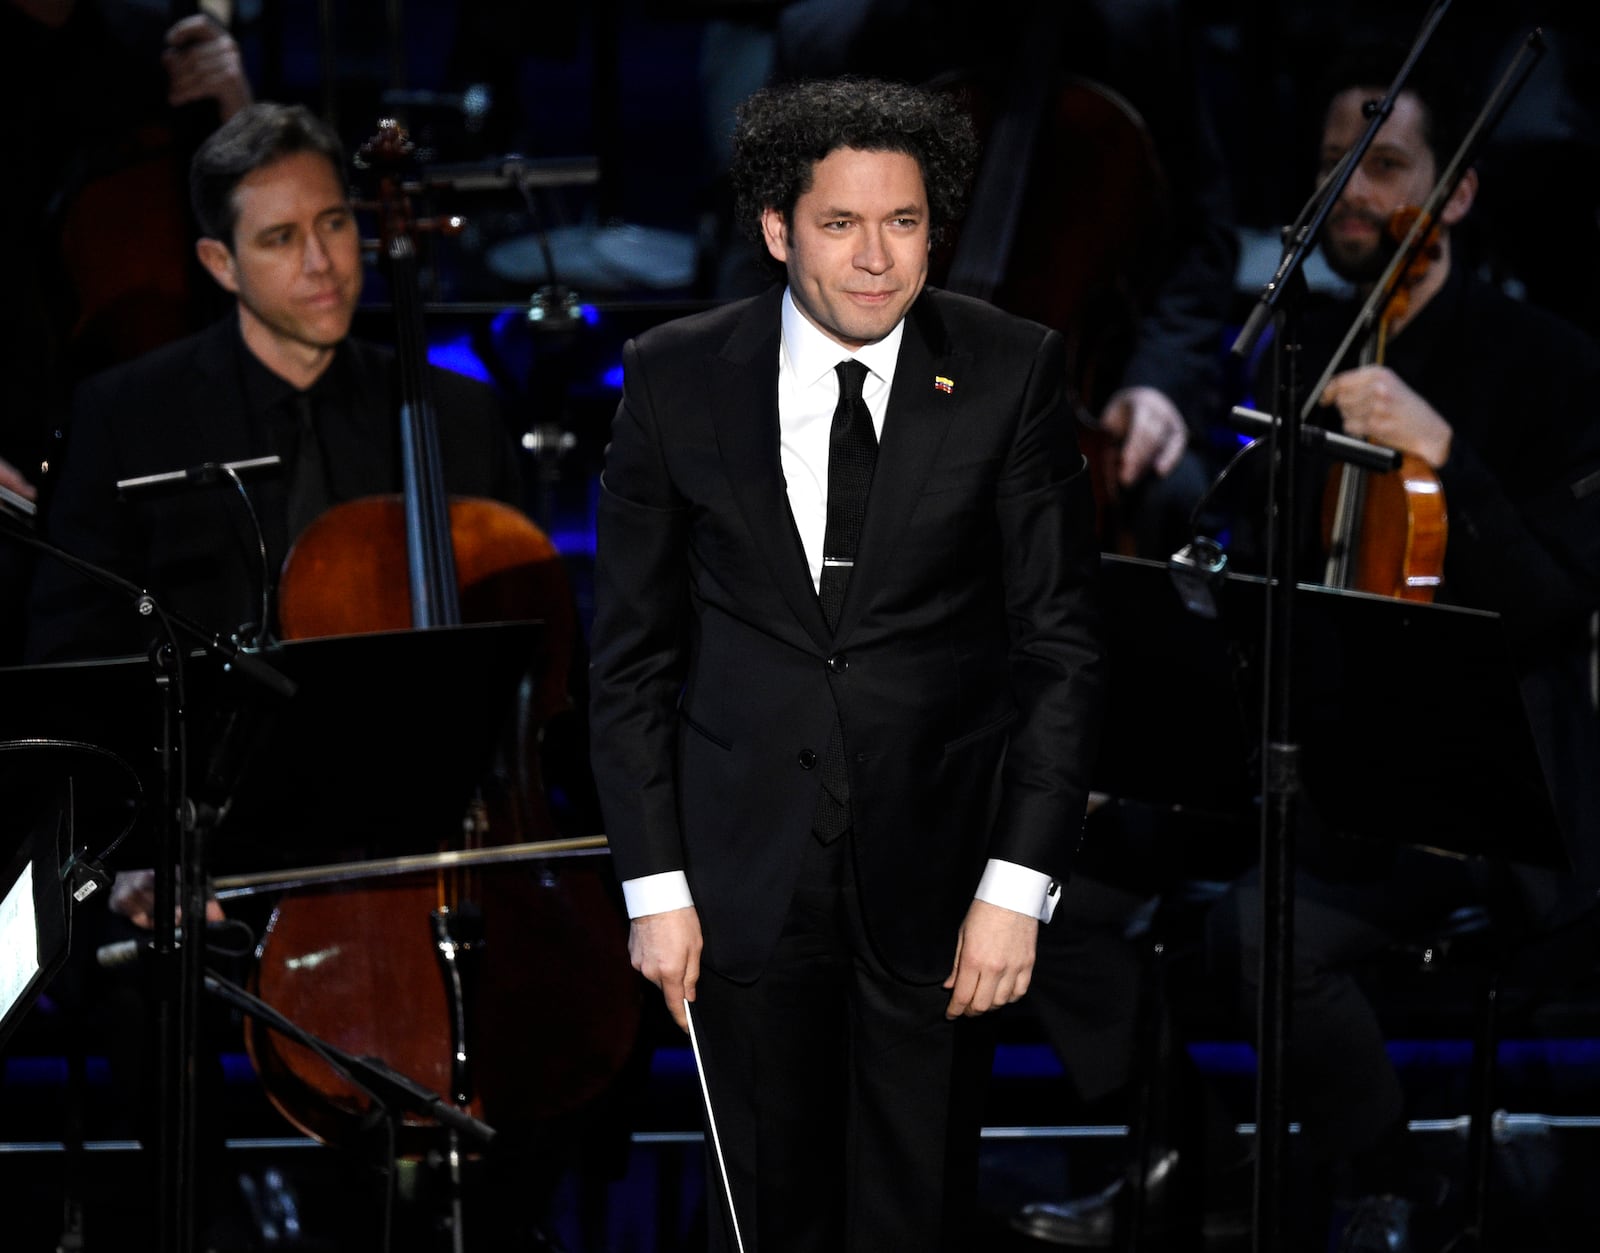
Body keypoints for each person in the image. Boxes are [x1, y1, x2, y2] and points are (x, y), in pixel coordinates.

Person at [587, 77, 1107, 1252]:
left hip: (941, 881)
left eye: (906, 222)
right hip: (734, 886)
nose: (878, 258)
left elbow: (1061, 649)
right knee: (767, 1212)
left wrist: (1016, 886)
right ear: (777, 229)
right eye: (840, 224)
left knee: (912, 1213)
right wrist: (655, 888)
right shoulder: (673, 376)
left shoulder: (1010, 369)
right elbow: (627, 658)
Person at [1207, 46, 1600, 1252]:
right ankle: (1180, 1168)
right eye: (1334, 167)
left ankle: (1390, 1183)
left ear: (1459, 195)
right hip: (1330, 776)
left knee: (1261, 933)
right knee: (1074, 870)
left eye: (1384, 166)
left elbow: (1551, 608)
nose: (1353, 195)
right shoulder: (1303, 356)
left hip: (1483, 802)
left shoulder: (1547, 365)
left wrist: (1440, 449)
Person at [26, 101, 520, 661]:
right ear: (221, 263)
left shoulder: (461, 415)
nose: (321, 262)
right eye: (280, 238)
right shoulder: (123, 418)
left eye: (333, 223)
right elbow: (69, 653)